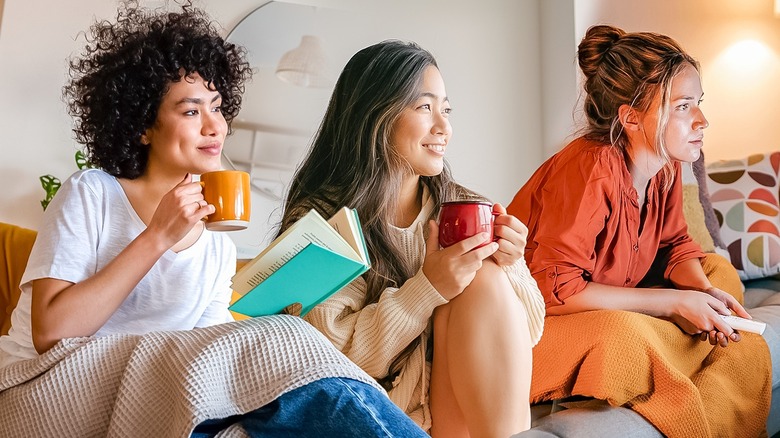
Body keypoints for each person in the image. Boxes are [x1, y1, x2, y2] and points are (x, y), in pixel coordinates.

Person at [0, 2, 428, 437]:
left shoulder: (217, 244)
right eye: (191, 111)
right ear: (142, 125)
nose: (214, 127)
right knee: (288, 341)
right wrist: (156, 238)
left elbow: (208, 367)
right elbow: (51, 333)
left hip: (138, 401)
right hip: (43, 390)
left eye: (218, 107)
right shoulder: (92, 193)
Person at [507, 25, 772, 437]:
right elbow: (555, 290)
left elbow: (675, 245)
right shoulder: (591, 168)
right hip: (534, 329)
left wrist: (702, 291)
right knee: (624, 335)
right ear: (631, 118)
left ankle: (681, 338)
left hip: (611, 302)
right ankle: (675, 345)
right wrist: (672, 303)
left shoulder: (666, 166)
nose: (702, 120)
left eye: (698, 103)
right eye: (683, 107)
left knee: (718, 273)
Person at [278, 40, 546, 438]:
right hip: (379, 414)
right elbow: (335, 358)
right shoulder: (322, 222)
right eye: (424, 108)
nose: (444, 128)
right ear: (375, 115)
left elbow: (529, 333)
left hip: (459, 411)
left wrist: (513, 264)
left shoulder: (463, 206)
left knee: (485, 275)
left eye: (446, 110)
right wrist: (427, 289)